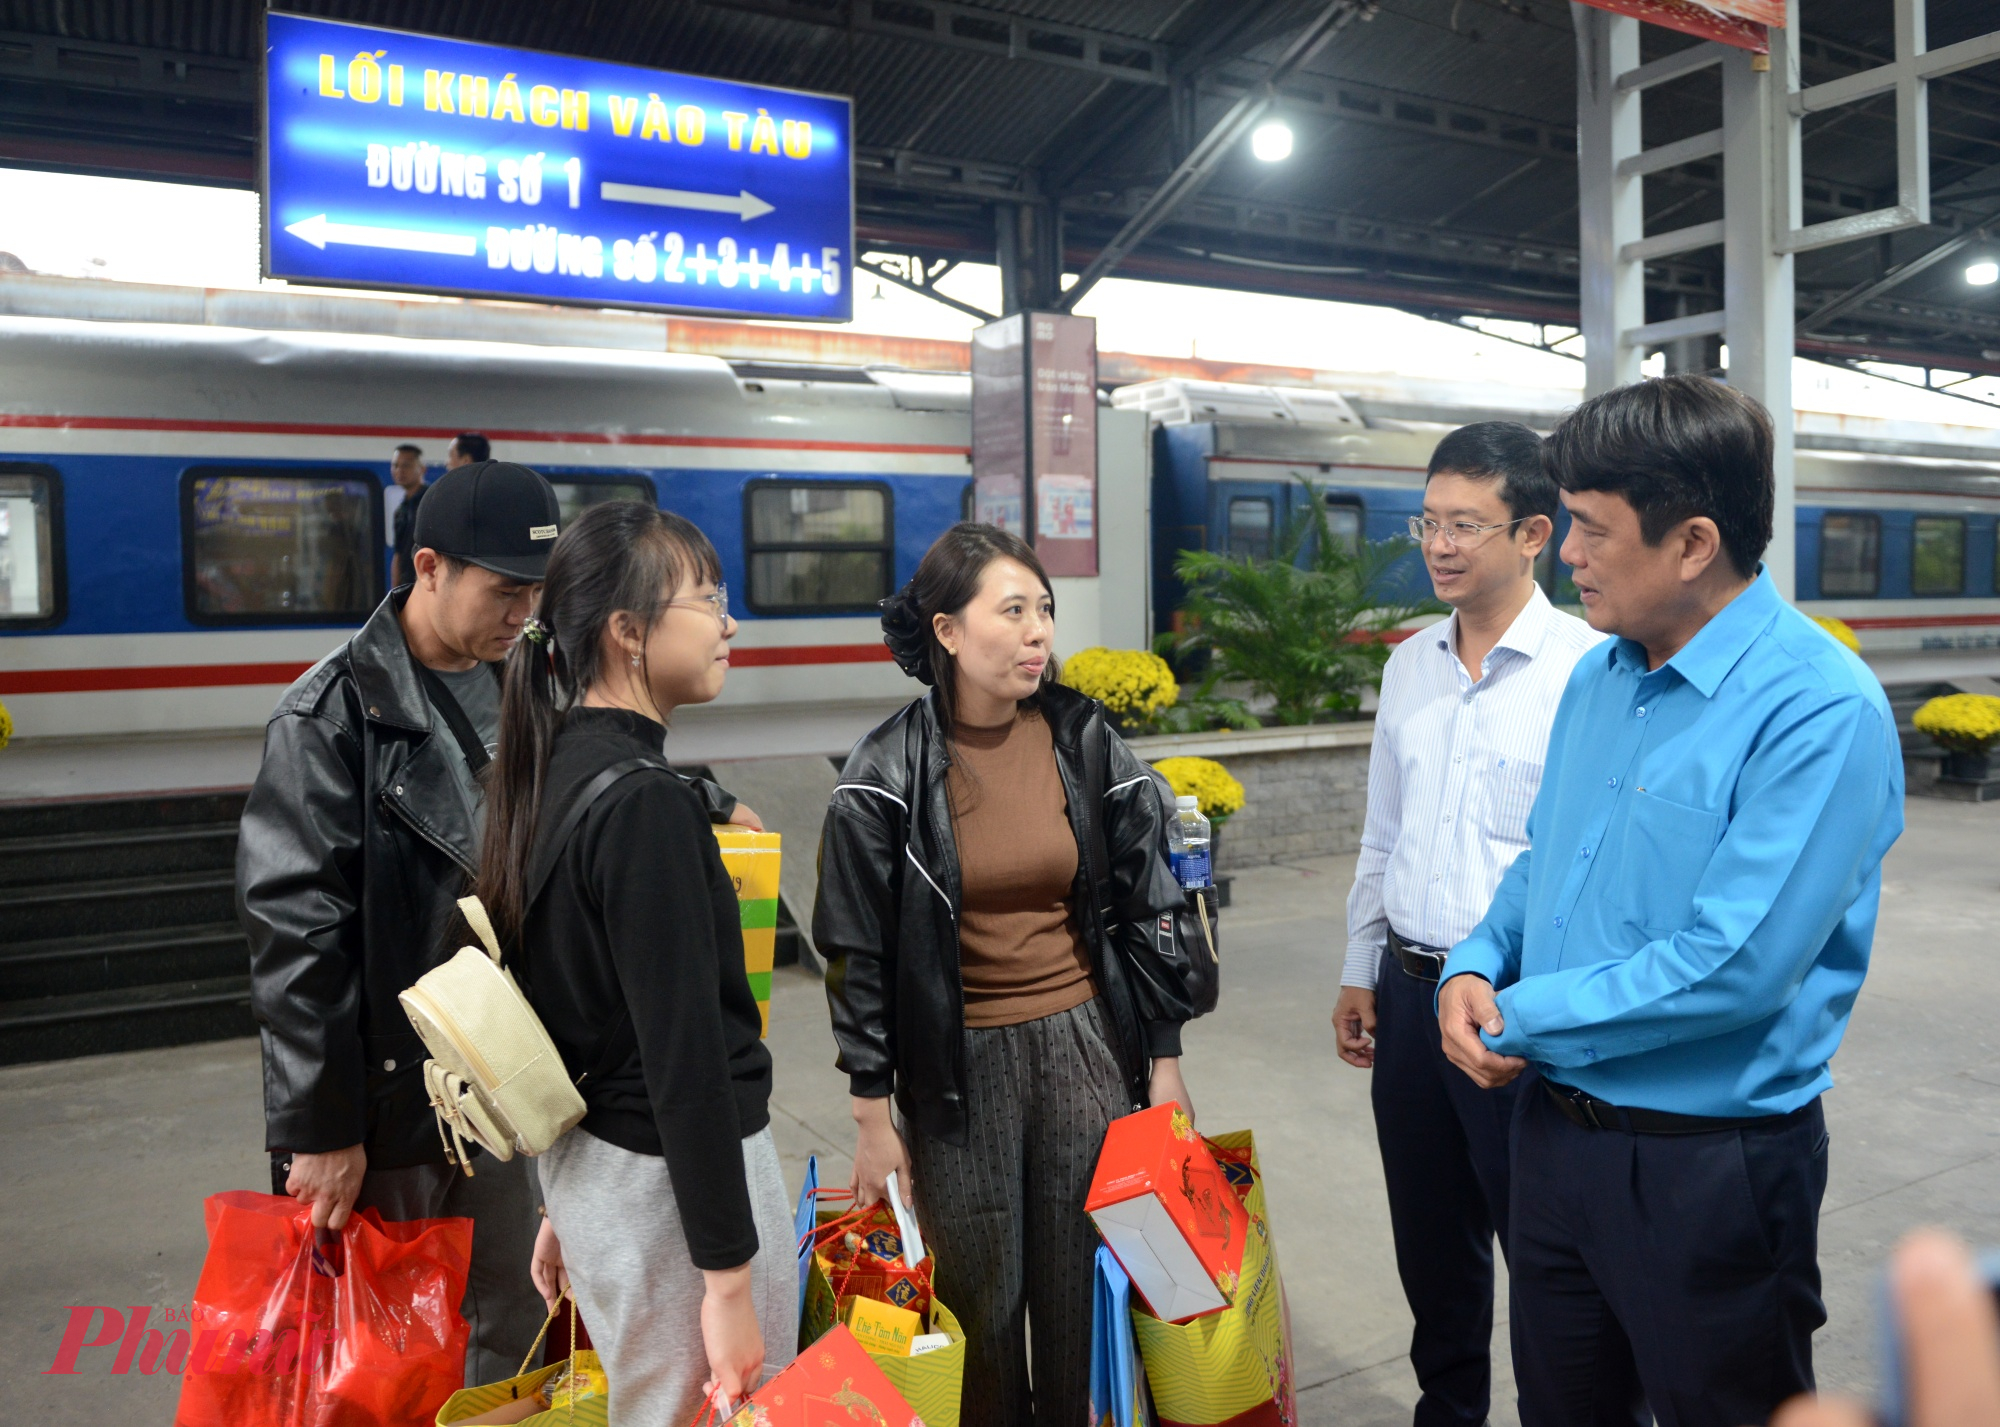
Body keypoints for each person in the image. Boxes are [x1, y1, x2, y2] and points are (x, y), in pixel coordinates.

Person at [1435, 375, 1905, 1427]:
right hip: (1552, 1136)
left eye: (1592, 531)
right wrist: (1474, 956)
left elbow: (1732, 965)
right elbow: (1540, 862)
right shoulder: (1601, 676)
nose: (1567, 555)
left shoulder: (1816, 709)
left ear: (1692, 542)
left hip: (1706, 1167)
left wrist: (1524, 1013)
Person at [814, 522, 1200, 1427]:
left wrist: (1166, 1056)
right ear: (947, 631)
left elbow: (1149, 900)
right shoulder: (882, 774)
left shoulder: (1083, 737)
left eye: (1046, 611)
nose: (1039, 634)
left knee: (1082, 1292)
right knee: (981, 1310)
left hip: (1085, 1049)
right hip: (958, 1072)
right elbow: (854, 958)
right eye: (1013, 610)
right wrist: (874, 1117)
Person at [239, 460, 561, 1386]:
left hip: (507, 1083)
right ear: (429, 566)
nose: (523, 611)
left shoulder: (527, 686)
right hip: (392, 1103)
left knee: (514, 1319)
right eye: (504, 588)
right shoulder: (329, 718)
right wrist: (319, 1126)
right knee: (382, 1351)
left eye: (535, 589)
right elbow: (298, 938)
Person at [487, 503, 795, 1425]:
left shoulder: (544, 773)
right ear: (628, 633)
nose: (727, 621)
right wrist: (730, 1282)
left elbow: (559, 1019)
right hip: (676, 1198)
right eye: (705, 598)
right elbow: (685, 1064)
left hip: (600, 1177)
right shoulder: (647, 808)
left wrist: (559, 1202)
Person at [1332, 422, 1604, 1427]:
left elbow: (1583, 861)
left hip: (1510, 1008)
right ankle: (1446, 1410)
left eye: (1464, 524)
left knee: (1540, 1246)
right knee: (1429, 1240)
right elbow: (1382, 831)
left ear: (1532, 531)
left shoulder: (1587, 668)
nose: (1438, 545)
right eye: (1427, 522)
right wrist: (1359, 969)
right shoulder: (1409, 664)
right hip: (1407, 996)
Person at [389, 443, 427, 589]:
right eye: (395, 465)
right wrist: (395, 590)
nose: (399, 471)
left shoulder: (429, 501)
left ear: (422, 469)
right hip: (408, 585)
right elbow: (398, 553)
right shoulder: (401, 510)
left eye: (406, 465)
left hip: (424, 583)